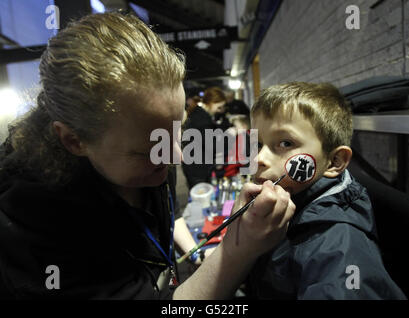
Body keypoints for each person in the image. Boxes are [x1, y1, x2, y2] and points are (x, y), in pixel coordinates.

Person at [0, 13, 295, 300]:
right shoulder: (34, 235)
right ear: (74, 140)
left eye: (178, 133)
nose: (176, 156)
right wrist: (239, 249)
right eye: (152, 148)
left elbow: (167, 219)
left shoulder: (149, 158)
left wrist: (196, 253)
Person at [247, 82, 407, 299]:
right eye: (258, 144)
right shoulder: (287, 204)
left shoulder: (339, 251)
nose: (259, 159)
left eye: (285, 143)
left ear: (334, 162)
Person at [182, 87, 231, 189]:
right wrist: (231, 135)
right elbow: (213, 146)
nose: (220, 111)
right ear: (211, 103)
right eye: (219, 107)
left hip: (195, 165)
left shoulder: (200, 114)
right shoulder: (202, 119)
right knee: (201, 198)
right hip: (197, 169)